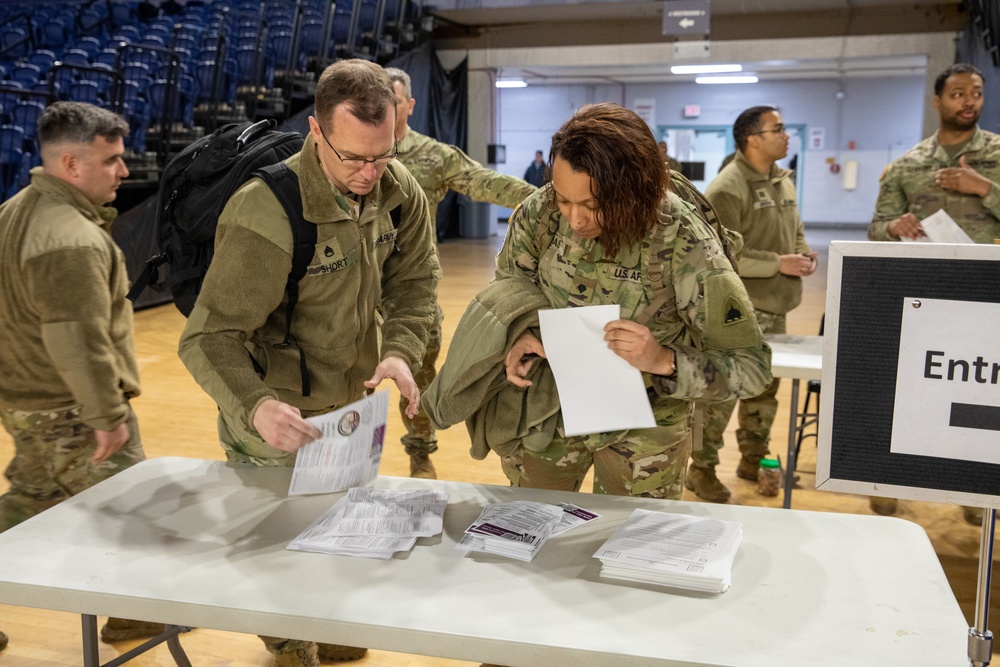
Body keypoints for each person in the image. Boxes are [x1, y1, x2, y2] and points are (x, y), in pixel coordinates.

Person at [178, 60, 440, 667]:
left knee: (345, 527)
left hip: (352, 411)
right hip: (278, 418)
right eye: (354, 159)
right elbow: (209, 337)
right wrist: (256, 405)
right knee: (282, 552)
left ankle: (326, 617)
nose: (371, 173)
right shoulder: (266, 211)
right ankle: (291, 644)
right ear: (316, 133)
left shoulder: (400, 191)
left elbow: (416, 283)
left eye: (384, 153)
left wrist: (399, 351)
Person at [423, 103, 772, 502]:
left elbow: (752, 368)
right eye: (564, 200)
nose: (575, 219)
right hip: (551, 405)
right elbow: (511, 289)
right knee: (531, 528)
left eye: (592, 205)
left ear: (635, 191)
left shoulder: (684, 242)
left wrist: (664, 360)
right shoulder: (540, 212)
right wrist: (523, 332)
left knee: (633, 542)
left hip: (646, 420)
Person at [0, 101, 162, 646]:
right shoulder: (68, 237)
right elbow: (78, 340)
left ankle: (134, 611)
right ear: (71, 164)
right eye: (112, 160)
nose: (125, 171)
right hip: (70, 407)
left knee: (31, 501)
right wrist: (108, 415)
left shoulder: (14, 210)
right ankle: (137, 612)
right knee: (136, 510)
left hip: (29, 397)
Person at [383, 67, 536, 479]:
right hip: (354, 295)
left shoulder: (432, 156)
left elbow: (486, 182)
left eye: (392, 101)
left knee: (418, 381)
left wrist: (548, 196)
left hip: (412, 296)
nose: (381, 108)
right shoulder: (349, 152)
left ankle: (420, 452)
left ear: (410, 105)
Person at [867, 62, 999, 525]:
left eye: (977, 93)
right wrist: (892, 226)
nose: (969, 101)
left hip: (987, 306)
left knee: (980, 404)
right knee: (907, 398)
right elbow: (876, 227)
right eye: (959, 93)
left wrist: (983, 188)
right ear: (938, 101)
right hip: (922, 306)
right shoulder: (908, 165)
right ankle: (885, 480)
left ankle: (976, 489)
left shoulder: (999, 156)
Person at [686, 105, 817, 503]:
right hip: (738, 309)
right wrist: (780, 263)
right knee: (724, 391)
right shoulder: (727, 188)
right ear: (753, 139)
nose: (786, 135)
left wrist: (802, 253)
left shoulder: (783, 179)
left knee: (764, 388)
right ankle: (701, 470)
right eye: (778, 129)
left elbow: (796, 229)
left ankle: (753, 457)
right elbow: (717, 254)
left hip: (776, 305)